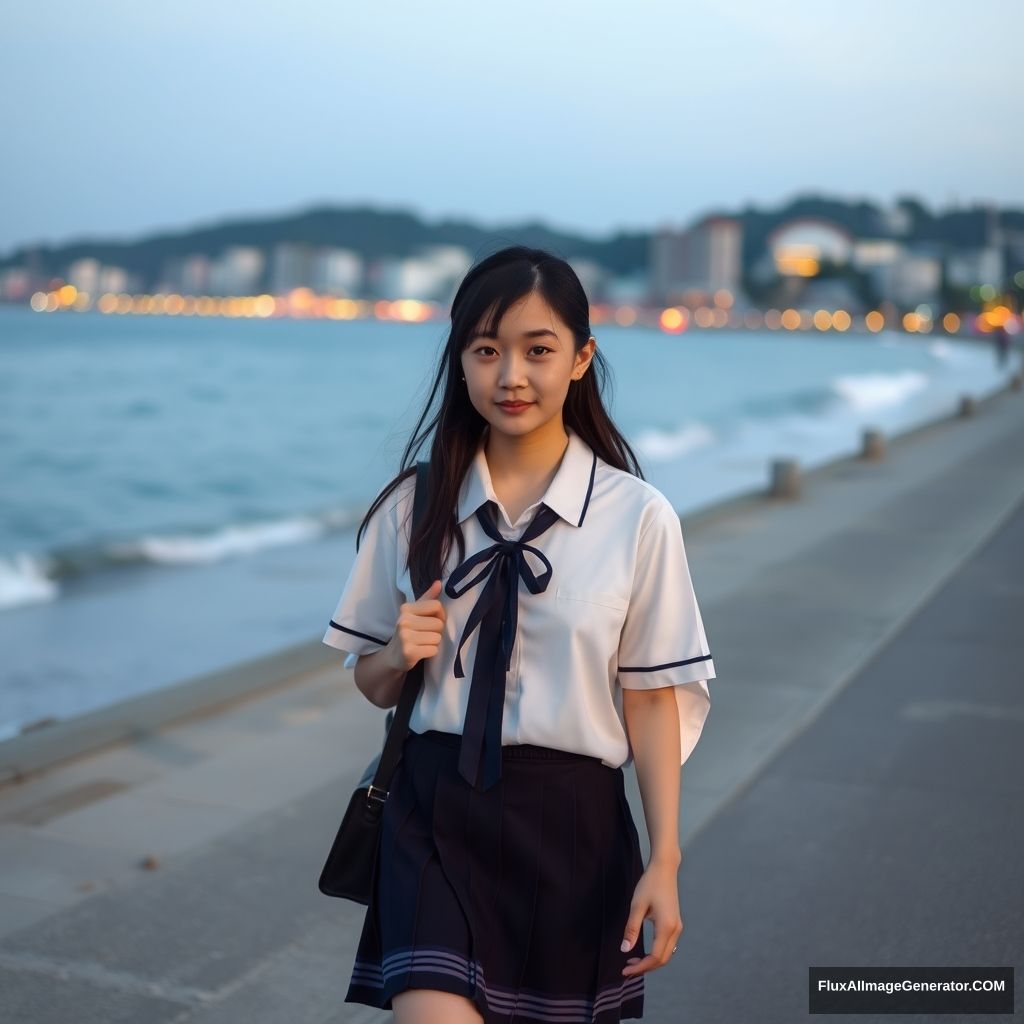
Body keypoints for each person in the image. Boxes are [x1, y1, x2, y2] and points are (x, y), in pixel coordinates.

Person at [322, 245, 715, 1024]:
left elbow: (652, 700)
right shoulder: (414, 505)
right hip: (432, 816)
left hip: (573, 829)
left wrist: (665, 858)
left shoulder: (637, 517)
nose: (511, 376)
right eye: (486, 351)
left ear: (581, 359)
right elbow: (371, 681)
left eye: (539, 350)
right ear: (460, 361)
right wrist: (398, 654)